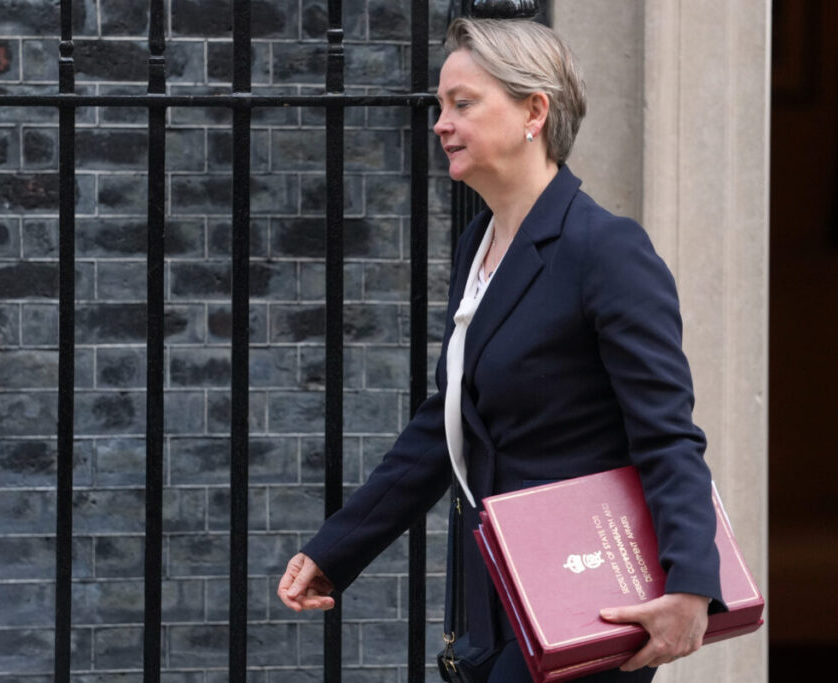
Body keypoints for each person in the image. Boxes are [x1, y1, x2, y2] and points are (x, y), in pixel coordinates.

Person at [277, 16, 724, 682]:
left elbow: (666, 433)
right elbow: (448, 422)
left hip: (593, 595)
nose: (441, 124)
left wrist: (691, 584)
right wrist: (336, 549)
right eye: (440, 106)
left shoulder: (606, 250)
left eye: (463, 104)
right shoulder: (479, 245)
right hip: (500, 595)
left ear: (534, 112)